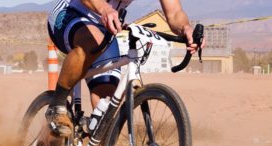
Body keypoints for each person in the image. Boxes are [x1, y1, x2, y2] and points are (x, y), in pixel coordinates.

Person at [46, 0, 204, 137]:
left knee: (106, 106)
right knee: (92, 42)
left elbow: (175, 13)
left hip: (105, 25)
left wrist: (186, 28)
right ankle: (56, 105)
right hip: (71, 12)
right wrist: (105, 9)